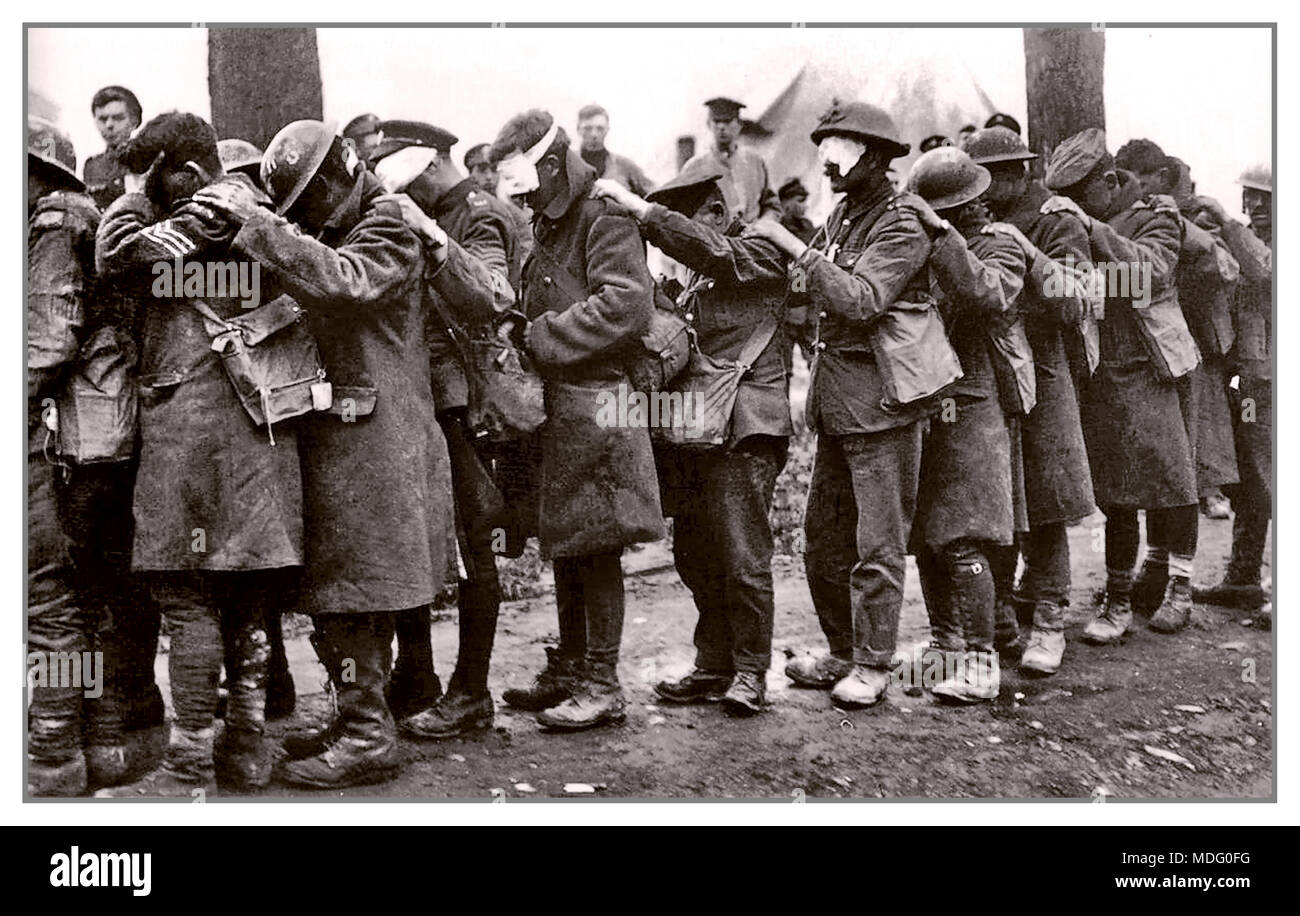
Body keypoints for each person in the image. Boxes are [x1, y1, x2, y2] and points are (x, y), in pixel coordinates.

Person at [196, 119, 451, 788]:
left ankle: (369, 735)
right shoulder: (343, 225)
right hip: (345, 436)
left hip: (378, 439)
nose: (306, 210)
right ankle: (356, 714)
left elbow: (344, 282)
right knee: (338, 590)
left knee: (360, 588)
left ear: (342, 171)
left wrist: (259, 224)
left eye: (311, 194)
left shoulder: (390, 223)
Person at [95, 113, 304, 797]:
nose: (141, 189)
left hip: (193, 429)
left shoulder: (208, 207)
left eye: (152, 174)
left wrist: (130, 190)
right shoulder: (252, 209)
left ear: (183, 171)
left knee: (187, 597)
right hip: (260, 429)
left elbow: (114, 254)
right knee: (247, 598)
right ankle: (245, 747)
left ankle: (190, 758)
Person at [748, 99, 954, 709]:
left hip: (883, 406)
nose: (829, 168)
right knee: (823, 539)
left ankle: (872, 663)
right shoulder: (842, 217)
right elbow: (806, 287)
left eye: (841, 155)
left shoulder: (903, 221)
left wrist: (787, 242)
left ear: (877, 159)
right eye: (825, 155)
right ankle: (842, 649)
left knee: (877, 545)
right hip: (838, 405)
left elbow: (863, 299)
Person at [594, 162, 795, 716]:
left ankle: (751, 671)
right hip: (693, 429)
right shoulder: (689, 280)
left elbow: (714, 252)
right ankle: (715, 664)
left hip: (746, 427)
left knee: (743, 555)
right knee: (695, 554)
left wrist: (642, 212)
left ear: (713, 212)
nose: (674, 231)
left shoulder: (758, 250)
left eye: (684, 215)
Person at [488, 108, 662, 730]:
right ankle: (568, 666)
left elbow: (626, 304)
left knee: (597, 546)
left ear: (554, 164)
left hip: (600, 401)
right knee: (566, 541)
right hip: (564, 406)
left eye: (531, 181)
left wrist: (538, 337)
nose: (528, 196)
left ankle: (603, 682)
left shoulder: (603, 214)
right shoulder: (552, 218)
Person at [366, 119, 521, 737]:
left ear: (428, 168)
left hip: (468, 406)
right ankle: (419, 674)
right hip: (426, 399)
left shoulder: (479, 216)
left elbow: (493, 295)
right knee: (421, 536)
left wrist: (431, 236)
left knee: (474, 543)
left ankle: (472, 690)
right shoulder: (437, 211)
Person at [1041, 128, 1200, 642]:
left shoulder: (1158, 215)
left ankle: (1181, 586)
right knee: (1117, 494)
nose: (1073, 208)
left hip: (1154, 366)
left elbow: (1148, 277)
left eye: (1080, 197)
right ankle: (1118, 598)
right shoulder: (1087, 217)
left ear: (1108, 182)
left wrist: (1091, 235)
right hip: (1102, 369)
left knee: (1174, 481)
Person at [962, 126, 1097, 676]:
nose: (979, 190)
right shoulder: (969, 218)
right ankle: (999, 619)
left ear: (1018, 173)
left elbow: (1081, 300)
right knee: (996, 501)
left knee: (1046, 502)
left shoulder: (1056, 219)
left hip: (1043, 369)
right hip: (987, 374)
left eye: (987, 178)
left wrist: (1027, 251)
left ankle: (1049, 620)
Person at [905, 146, 1030, 703]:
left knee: (965, 535)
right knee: (928, 537)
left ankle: (982, 660)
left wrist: (940, 237)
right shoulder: (929, 248)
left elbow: (988, 293)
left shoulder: (1001, 243)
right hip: (928, 402)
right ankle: (945, 645)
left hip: (976, 405)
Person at [212, 136, 296, 721]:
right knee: (251, 568)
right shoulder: (250, 239)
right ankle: (273, 683)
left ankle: (272, 686)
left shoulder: (269, 237)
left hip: (273, 415)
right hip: (261, 415)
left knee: (259, 567)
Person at [1117, 141, 1241, 529]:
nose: (1134, 189)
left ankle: (1211, 491)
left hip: (1197, 334)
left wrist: (1183, 224)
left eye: (1139, 180)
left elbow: (1225, 268)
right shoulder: (1130, 214)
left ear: (1161, 178)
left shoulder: (1192, 214)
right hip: (1156, 335)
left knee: (1203, 429)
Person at [1192, 163, 1272, 626]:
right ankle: (1243, 577)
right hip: (1248, 380)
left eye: (1266, 198)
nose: (1255, 206)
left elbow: (1265, 274)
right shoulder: (1246, 240)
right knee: (1250, 480)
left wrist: (1225, 223)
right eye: (1251, 197)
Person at [680, 97, 779, 223]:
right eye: (716, 121)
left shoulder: (755, 161)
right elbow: (684, 213)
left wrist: (763, 225)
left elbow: (772, 206)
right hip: (715, 239)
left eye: (727, 121)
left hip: (753, 237)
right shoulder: (694, 167)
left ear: (739, 125)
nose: (721, 127)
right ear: (708, 124)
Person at [575, 103, 654, 196]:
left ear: (607, 130)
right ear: (578, 129)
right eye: (588, 128)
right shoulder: (567, 164)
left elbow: (653, 194)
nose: (594, 134)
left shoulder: (625, 165)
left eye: (600, 128)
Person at [83, 85, 142, 210]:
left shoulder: (146, 161)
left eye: (118, 118)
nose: (109, 125)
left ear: (134, 121)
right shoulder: (92, 166)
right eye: (102, 119)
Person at [777, 177, 816, 243]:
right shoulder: (779, 229)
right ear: (785, 203)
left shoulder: (808, 224)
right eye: (800, 201)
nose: (806, 206)